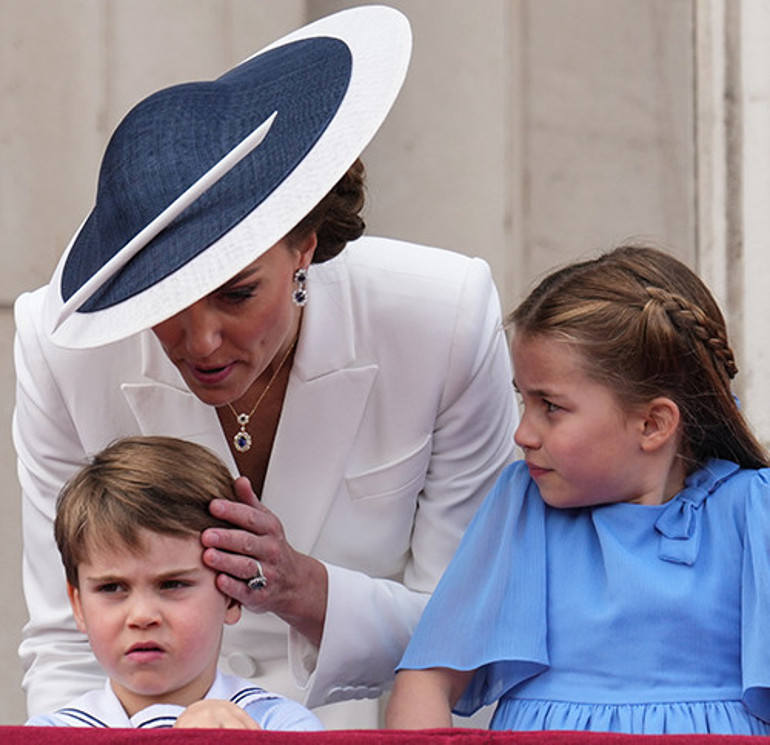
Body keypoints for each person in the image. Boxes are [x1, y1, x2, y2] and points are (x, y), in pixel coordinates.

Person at [13, 5, 516, 728]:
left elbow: (471, 632)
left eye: (238, 292)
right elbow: (64, 638)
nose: (204, 341)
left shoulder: (441, 316)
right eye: (166, 303)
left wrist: (307, 589)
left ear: (305, 243)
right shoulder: (61, 346)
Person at [386, 244, 770, 735]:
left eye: (550, 406)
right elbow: (426, 679)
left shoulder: (751, 510)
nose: (522, 433)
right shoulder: (523, 507)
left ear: (653, 423)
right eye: (522, 400)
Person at [26, 436, 323, 730]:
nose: (142, 616)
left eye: (172, 585)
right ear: (78, 605)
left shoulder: (282, 727)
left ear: (232, 596)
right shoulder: (47, 734)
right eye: (112, 588)